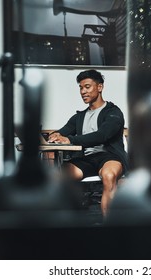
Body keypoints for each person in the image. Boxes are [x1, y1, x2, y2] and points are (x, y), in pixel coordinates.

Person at [48, 69, 129, 216]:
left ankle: (110, 228)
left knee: (109, 176)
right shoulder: (78, 117)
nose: (83, 91)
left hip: (110, 157)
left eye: (87, 86)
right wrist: (55, 136)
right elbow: (62, 132)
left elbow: (102, 135)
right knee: (57, 176)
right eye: (80, 87)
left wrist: (70, 139)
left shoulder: (113, 112)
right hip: (86, 159)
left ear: (99, 87)